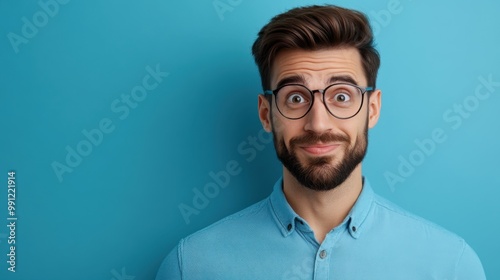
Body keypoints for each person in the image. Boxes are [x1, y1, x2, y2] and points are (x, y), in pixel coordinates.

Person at [156, 5, 485, 279]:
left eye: (342, 96)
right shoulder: (191, 266)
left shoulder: (451, 265)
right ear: (266, 113)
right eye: (296, 98)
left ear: (371, 109)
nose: (318, 123)